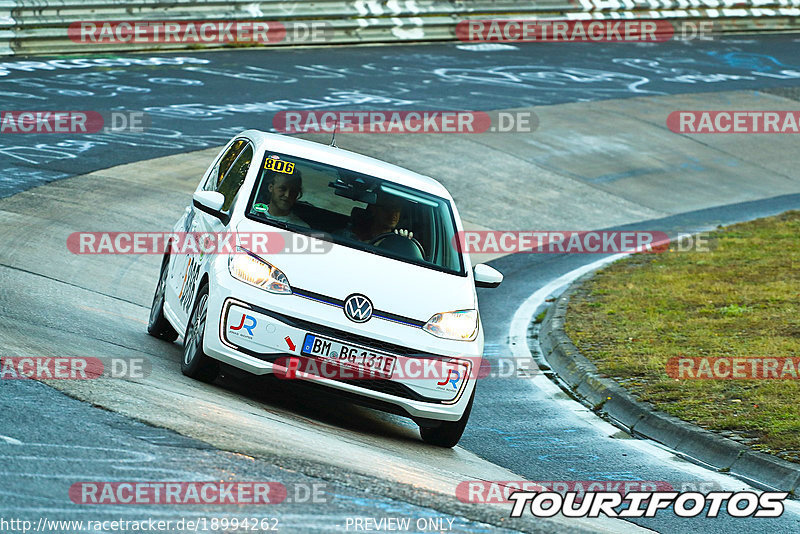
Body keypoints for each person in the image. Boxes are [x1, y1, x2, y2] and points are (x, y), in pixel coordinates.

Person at [348, 192, 412, 242]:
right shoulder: (354, 233)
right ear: (374, 209)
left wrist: (403, 243)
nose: (393, 214)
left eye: (397, 209)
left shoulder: (398, 240)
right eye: (388, 208)